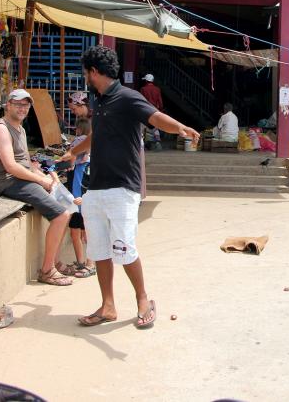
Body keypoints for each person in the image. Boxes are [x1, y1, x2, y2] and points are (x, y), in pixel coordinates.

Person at [61, 47, 199, 329]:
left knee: (124, 248)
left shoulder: (128, 97)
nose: (86, 78)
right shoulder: (99, 101)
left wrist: (180, 127)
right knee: (99, 251)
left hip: (123, 188)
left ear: (94, 72)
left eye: (86, 73)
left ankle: (143, 299)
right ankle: (108, 306)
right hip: (96, 188)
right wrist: (74, 151)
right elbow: (97, 135)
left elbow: (155, 117)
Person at [0, 89, 74, 286]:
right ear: (8, 105)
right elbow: (11, 167)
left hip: (22, 179)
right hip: (10, 181)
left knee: (66, 206)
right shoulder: (1, 129)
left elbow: (27, 163)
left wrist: (47, 177)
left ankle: (55, 261)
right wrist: (41, 181)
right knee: (62, 215)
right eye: (18, 104)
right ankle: (47, 271)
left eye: (26, 105)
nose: (22, 108)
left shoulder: (20, 129)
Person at [58, 117, 96, 278]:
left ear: (79, 129)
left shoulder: (81, 141)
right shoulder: (87, 163)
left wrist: (65, 161)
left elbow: (71, 156)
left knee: (83, 232)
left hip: (80, 199)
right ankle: (82, 263)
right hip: (77, 199)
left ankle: (90, 264)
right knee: (77, 232)